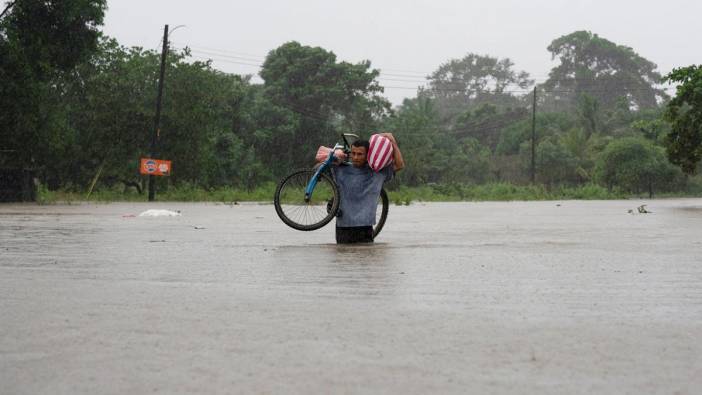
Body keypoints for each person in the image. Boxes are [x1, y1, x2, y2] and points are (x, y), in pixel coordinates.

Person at [327, 133, 404, 244]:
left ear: (368, 155)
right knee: (343, 258)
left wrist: (393, 142)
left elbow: (400, 165)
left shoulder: (378, 172)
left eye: (360, 154)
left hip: (365, 227)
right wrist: (337, 155)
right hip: (343, 226)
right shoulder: (340, 168)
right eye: (353, 153)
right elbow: (319, 167)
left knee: (365, 258)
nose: (356, 157)